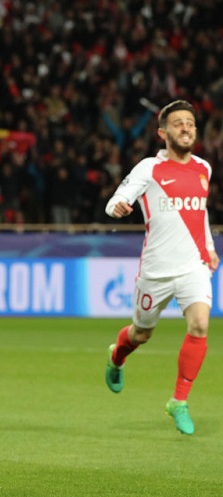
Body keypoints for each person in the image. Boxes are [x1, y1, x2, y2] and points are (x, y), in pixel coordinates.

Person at [104, 100, 218, 435]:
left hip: (193, 266)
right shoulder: (148, 168)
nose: (186, 128)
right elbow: (116, 199)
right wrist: (117, 207)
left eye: (190, 123)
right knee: (141, 333)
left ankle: (178, 401)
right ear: (162, 132)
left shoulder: (203, 168)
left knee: (200, 324)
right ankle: (117, 356)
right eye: (178, 123)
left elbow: (200, 213)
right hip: (156, 271)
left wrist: (210, 248)